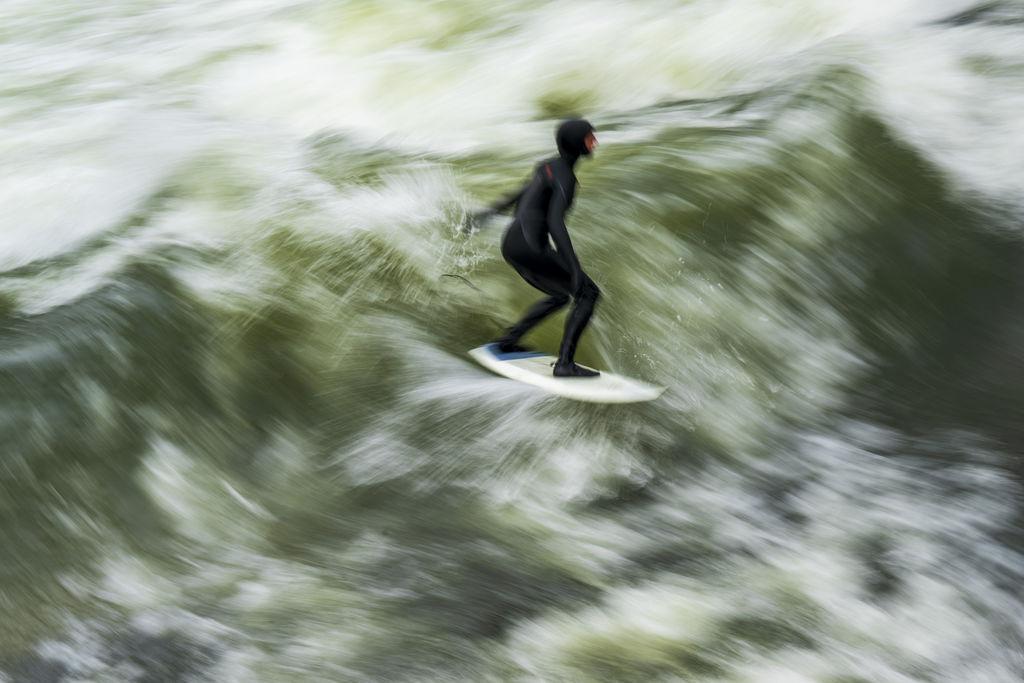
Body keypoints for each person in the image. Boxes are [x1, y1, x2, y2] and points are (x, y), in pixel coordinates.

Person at [471, 118, 601, 378]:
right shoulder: (566, 178)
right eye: (590, 137)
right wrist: (575, 268)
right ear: (577, 143)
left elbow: (518, 195)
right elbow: (555, 222)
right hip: (531, 247)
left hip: (512, 244)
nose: (595, 142)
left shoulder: (547, 167)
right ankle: (565, 364)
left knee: (559, 294)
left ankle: (509, 341)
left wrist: (485, 215)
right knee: (587, 293)